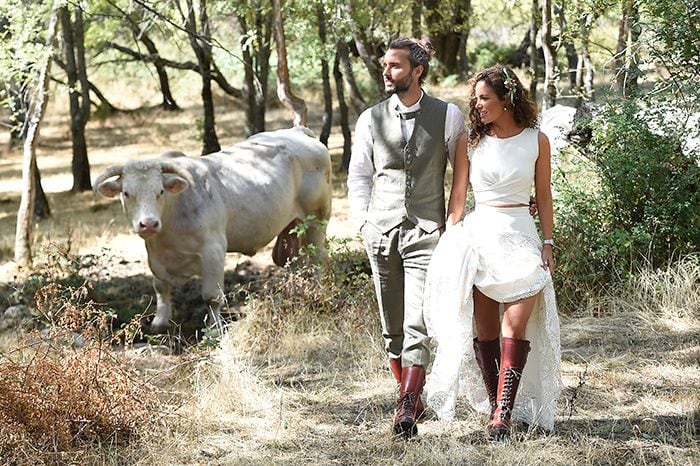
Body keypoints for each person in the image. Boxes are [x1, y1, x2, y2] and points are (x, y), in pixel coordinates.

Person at [423, 64, 562, 440]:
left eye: (485, 98)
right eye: (476, 98)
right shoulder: (471, 141)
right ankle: (496, 409)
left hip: (521, 236)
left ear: (507, 99)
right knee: (485, 329)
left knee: (514, 324)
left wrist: (547, 242)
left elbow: (544, 195)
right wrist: (451, 235)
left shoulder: (537, 140)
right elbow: (458, 195)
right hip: (479, 236)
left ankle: (503, 411)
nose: (478, 105)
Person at [347, 37, 467, 438]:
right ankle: (409, 393)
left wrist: (452, 222)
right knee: (391, 325)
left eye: (395, 66)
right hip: (380, 232)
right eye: (385, 65)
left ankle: (405, 411)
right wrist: (363, 223)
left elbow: (461, 176)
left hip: (426, 231)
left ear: (417, 71)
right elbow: (359, 175)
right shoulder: (370, 118)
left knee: (417, 319)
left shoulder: (448, 116)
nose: (386, 71)